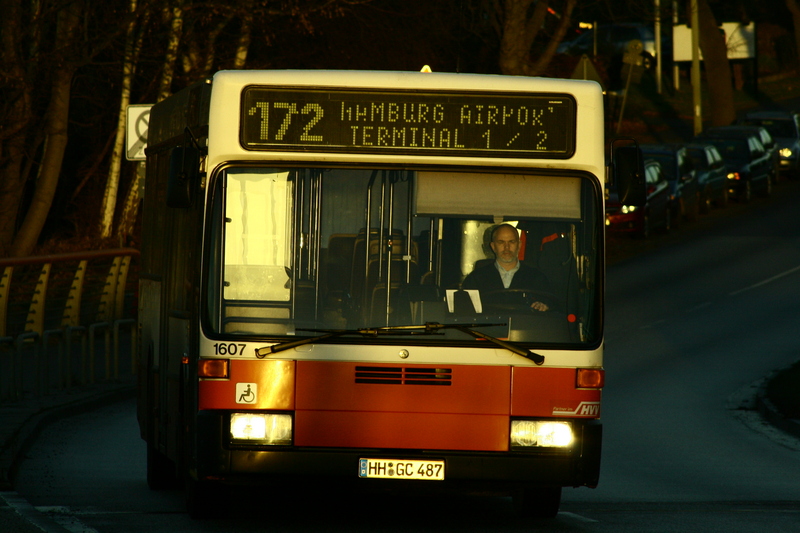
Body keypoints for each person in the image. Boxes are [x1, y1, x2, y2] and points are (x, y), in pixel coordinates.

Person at [462, 223, 551, 312]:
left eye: (511, 242)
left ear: (519, 245)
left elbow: (552, 306)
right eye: (501, 242)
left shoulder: (537, 278)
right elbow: (463, 310)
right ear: (493, 246)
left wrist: (544, 306)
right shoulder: (475, 279)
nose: (507, 247)